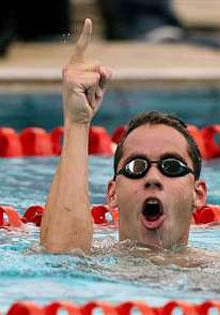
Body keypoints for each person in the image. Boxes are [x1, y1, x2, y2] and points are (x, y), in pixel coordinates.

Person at [40, 19, 207, 254]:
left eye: (172, 166)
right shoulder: (98, 269)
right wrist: (77, 122)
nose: (152, 177)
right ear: (113, 194)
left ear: (197, 195)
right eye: (136, 167)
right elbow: (61, 260)